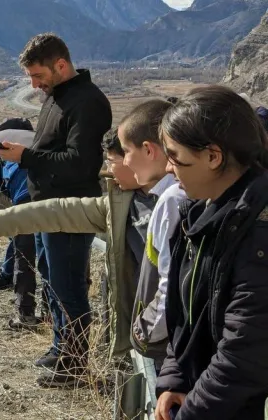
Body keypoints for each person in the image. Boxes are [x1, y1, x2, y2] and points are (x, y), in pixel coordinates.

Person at [0, 32, 112, 387]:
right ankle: (62, 347)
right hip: (48, 208)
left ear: (61, 65)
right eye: (30, 78)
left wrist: (25, 157)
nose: (33, 84)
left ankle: (75, 368)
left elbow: (79, 163)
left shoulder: (87, 102)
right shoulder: (57, 97)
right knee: (53, 281)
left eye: (37, 75)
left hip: (70, 212)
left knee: (70, 287)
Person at [154, 85, 268, 420]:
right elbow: (186, 312)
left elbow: (243, 355)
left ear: (213, 156)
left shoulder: (258, 233)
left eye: (175, 157)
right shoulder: (203, 214)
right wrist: (175, 375)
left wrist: (191, 411)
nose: (168, 169)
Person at [117, 99, 187, 367]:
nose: (124, 161)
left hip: (169, 346)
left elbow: (169, 285)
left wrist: (142, 332)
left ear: (148, 149)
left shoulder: (172, 200)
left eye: (126, 151)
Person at [0, 119, 41, 328]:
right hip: (51, 198)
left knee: (24, 258)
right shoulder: (39, 139)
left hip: (24, 201)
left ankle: (25, 314)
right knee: (49, 258)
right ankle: (51, 312)